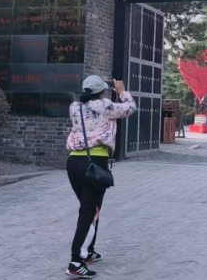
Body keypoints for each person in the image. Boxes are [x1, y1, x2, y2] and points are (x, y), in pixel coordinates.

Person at [65, 76, 137, 279]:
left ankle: (87, 252)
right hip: (95, 162)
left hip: (74, 162)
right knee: (90, 211)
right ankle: (75, 261)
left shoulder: (74, 107)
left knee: (89, 208)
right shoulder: (105, 105)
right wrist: (122, 91)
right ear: (102, 92)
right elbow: (130, 108)